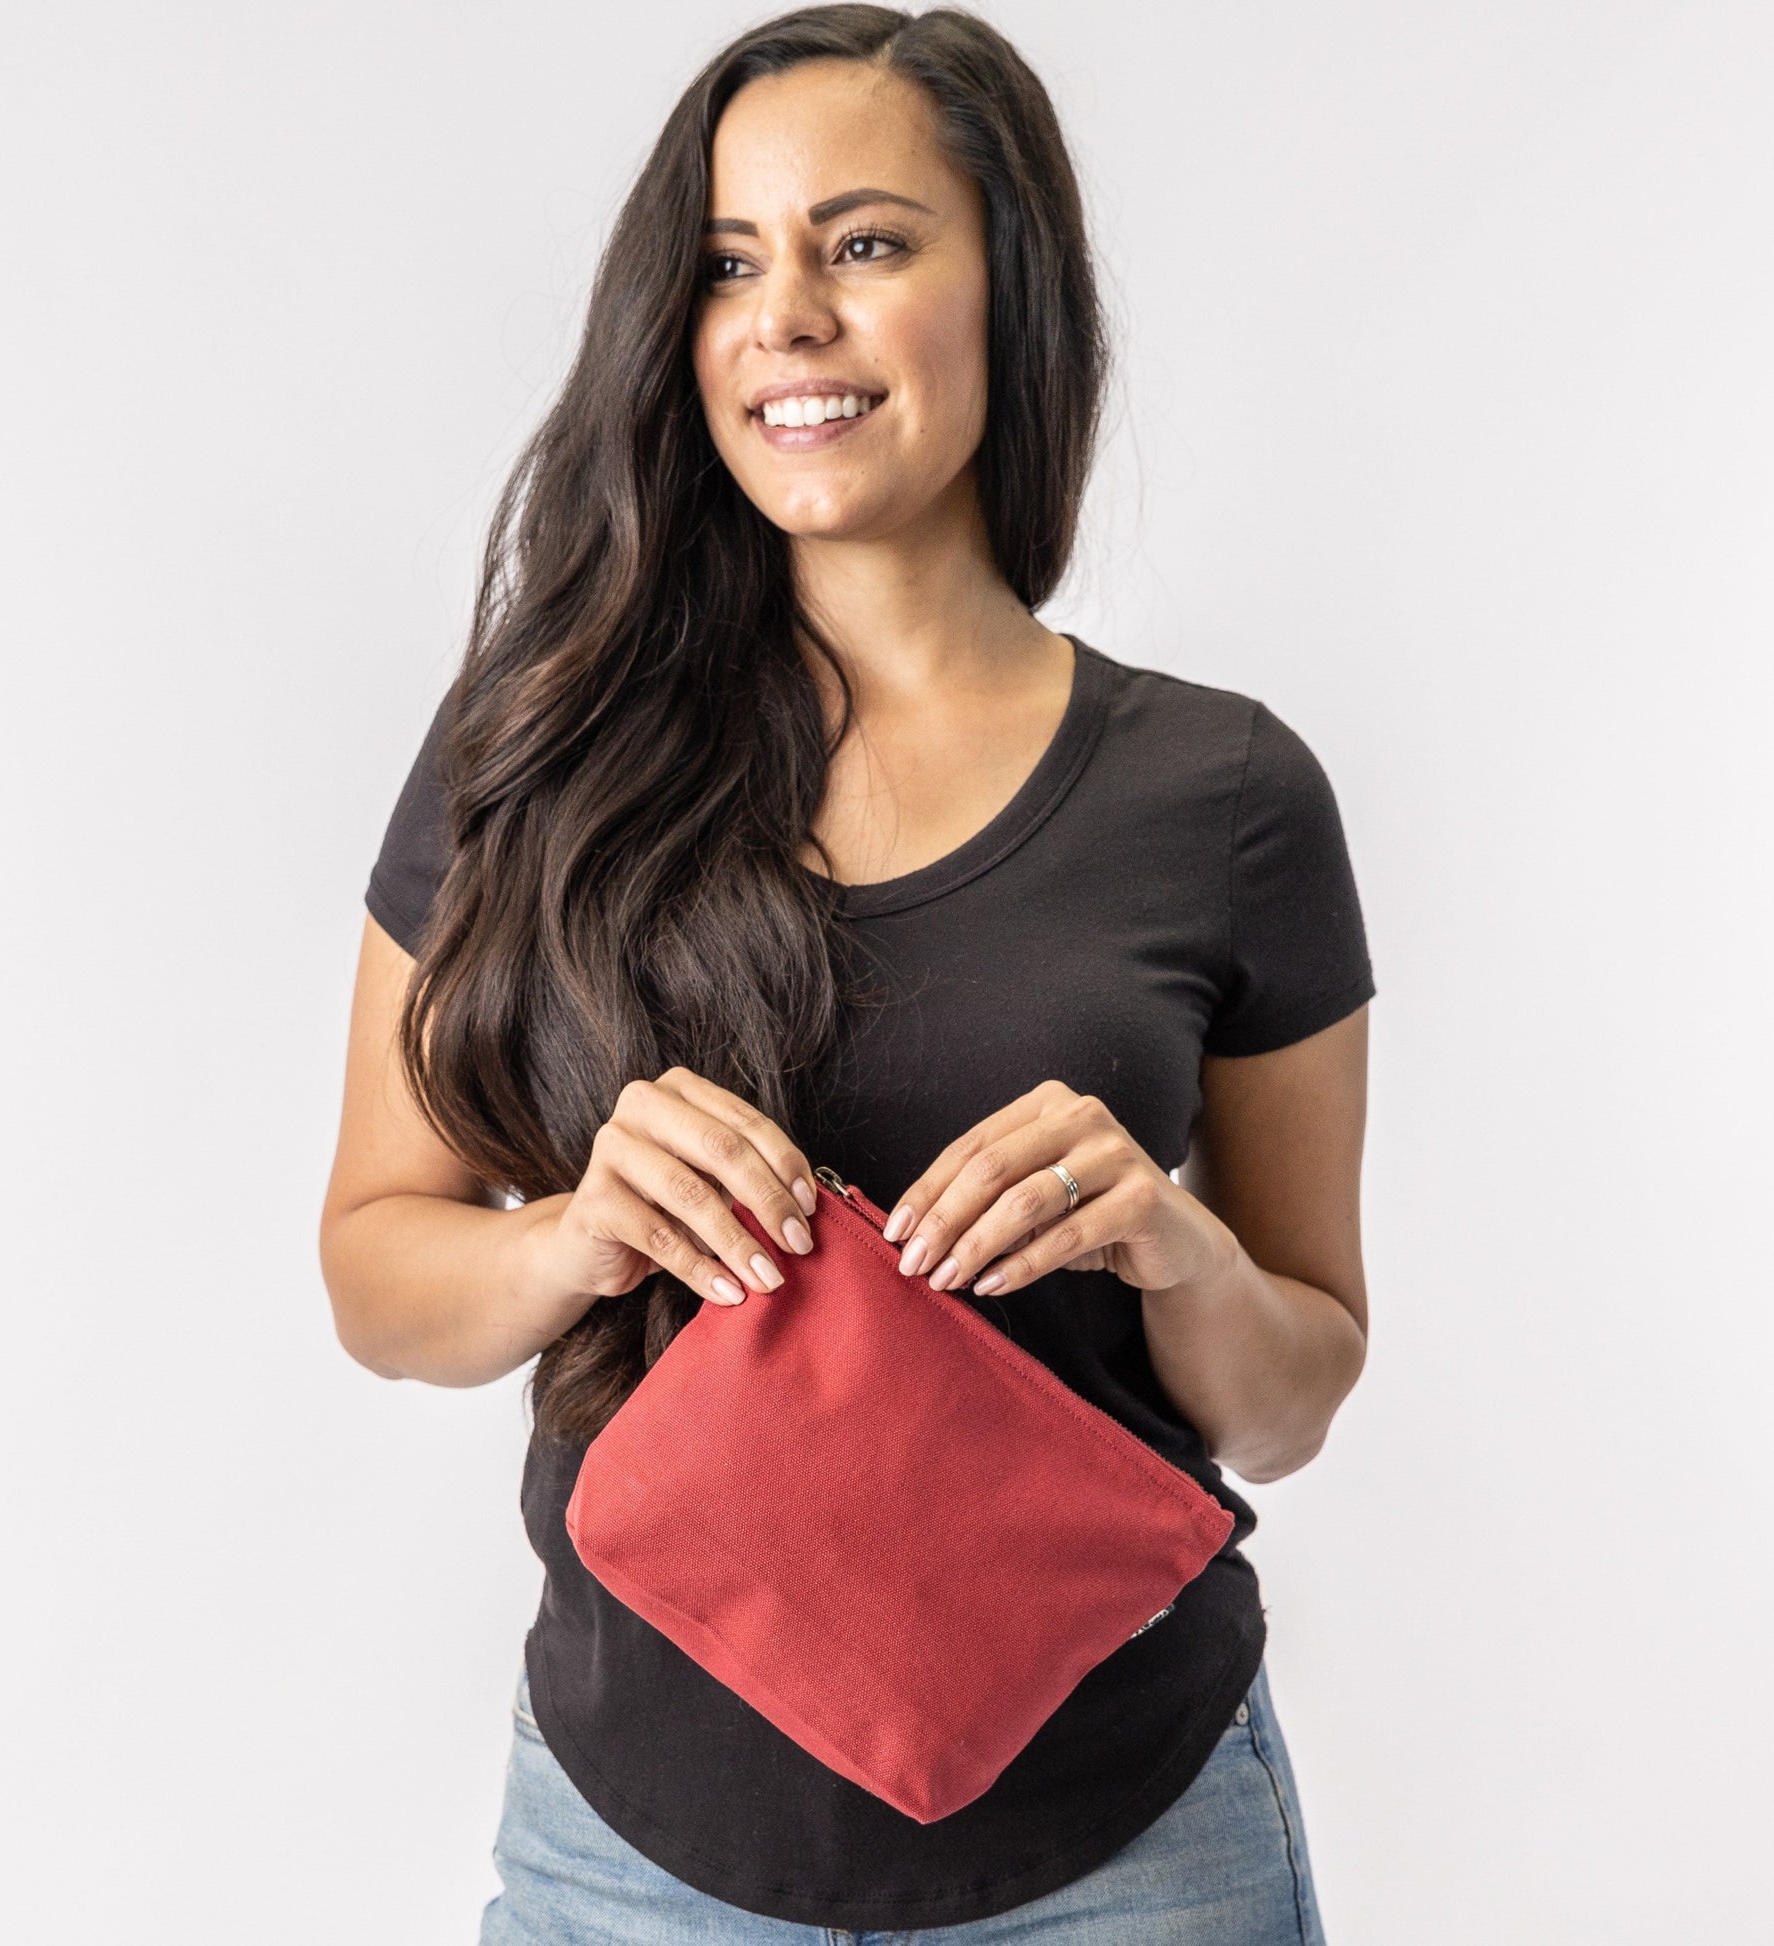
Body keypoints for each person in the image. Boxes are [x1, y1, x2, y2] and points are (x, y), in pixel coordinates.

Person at [319, 6, 1374, 1941]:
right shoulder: (531, 754)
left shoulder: (1225, 792)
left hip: (1127, 1849)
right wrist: (572, 1239)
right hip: (629, 1854)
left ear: (1014, 290)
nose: (787, 316)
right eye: (730, 264)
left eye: (865, 243)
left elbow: (1293, 1396)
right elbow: (377, 1275)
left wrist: (1176, 1249)